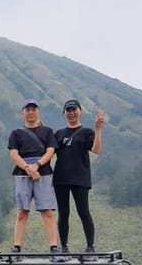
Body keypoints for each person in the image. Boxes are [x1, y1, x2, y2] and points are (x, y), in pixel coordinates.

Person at [7, 99, 60, 259]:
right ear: (23, 113)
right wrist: (28, 169)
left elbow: (51, 151)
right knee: (22, 211)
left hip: (43, 173)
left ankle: (54, 248)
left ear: (38, 112)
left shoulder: (47, 131)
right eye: (28, 109)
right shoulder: (15, 133)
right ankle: (17, 248)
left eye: (34, 109)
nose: (31, 112)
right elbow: (14, 154)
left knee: (47, 211)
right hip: (22, 174)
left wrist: (36, 165)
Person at [53, 99, 105, 261]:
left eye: (74, 110)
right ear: (64, 113)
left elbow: (96, 150)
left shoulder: (87, 132)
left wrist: (98, 129)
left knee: (83, 212)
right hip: (61, 178)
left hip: (80, 177)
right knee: (63, 213)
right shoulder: (59, 134)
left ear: (80, 111)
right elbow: (49, 151)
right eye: (68, 110)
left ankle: (90, 247)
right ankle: (64, 248)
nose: (71, 113)